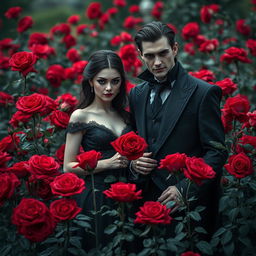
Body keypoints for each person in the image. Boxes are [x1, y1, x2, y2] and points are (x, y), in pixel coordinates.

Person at [129, 21, 228, 240]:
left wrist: (185, 189)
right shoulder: (136, 94)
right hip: (144, 205)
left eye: (163, 53)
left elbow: (217, 151)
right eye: (149, 56)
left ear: (175, 49)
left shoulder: (203, 92)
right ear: (140, 55)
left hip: (188, 209)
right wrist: (133, 162)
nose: (157, 62)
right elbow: (131, 140)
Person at [63, 50, 131, 252]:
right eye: (102, 81)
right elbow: (68, 166)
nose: (109, 88)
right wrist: (106, 164)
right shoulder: (80, 116)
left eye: (115, 81)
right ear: (91, 81)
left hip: (127, 192)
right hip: (96, 195)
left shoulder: (126, 116)